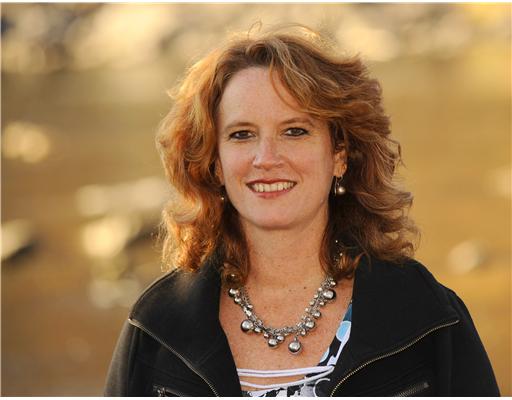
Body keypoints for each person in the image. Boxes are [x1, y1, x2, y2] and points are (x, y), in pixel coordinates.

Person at [104, 26, 500, 396]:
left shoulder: (426, 315)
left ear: (340, 154)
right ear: (215, 163)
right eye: (242, 134)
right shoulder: (157, 327)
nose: (266, 158)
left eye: (294, 131)